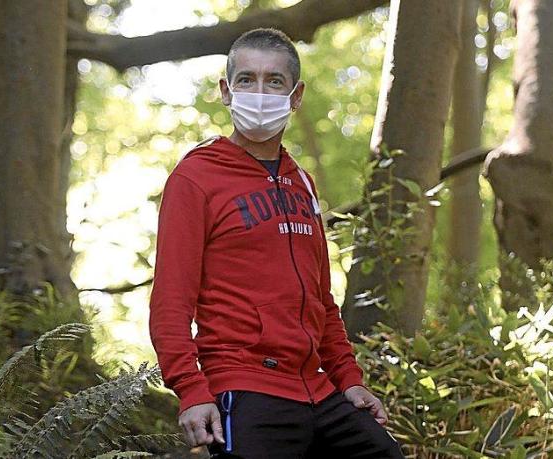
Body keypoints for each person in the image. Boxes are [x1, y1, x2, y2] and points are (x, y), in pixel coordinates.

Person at [148, 27, 405, 459]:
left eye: (274, 81)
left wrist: (351, 379)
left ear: (296, 94)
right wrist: (192, 390)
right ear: (226, 92)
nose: (260, 91)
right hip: (244, 386)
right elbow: (171, 302)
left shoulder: (302, 182)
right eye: (246, 80)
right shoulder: (195, 178)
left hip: (318, 390)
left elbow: (322, 301)